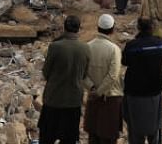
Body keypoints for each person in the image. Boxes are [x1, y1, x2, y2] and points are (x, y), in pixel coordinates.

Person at [40, 15, 91, 144]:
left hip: (53, 99)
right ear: (78, 29)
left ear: (64, 27)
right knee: (69, 138)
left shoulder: (55, 46)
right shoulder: (85, 48)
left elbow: (46, 73)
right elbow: (84, 75)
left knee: (47, 136)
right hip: (73, 101)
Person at [122, 18, 162, 144]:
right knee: (155, 129)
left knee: (135, 130)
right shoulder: (160, 44)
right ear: (152, 28)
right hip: (154, 92)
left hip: (134, 93)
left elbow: (124, 61)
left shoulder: (132, 45)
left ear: (139, 28)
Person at [85, 14, 125, 144]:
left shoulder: (87, 46)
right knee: (108, 137)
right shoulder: (114, 49)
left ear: (98, 28)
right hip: (110, 98)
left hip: (92, 97)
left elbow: (82, 73)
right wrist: (100, 92)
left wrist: (92, 88)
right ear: (112, 30)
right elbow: (113, 75)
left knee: (93, 136)